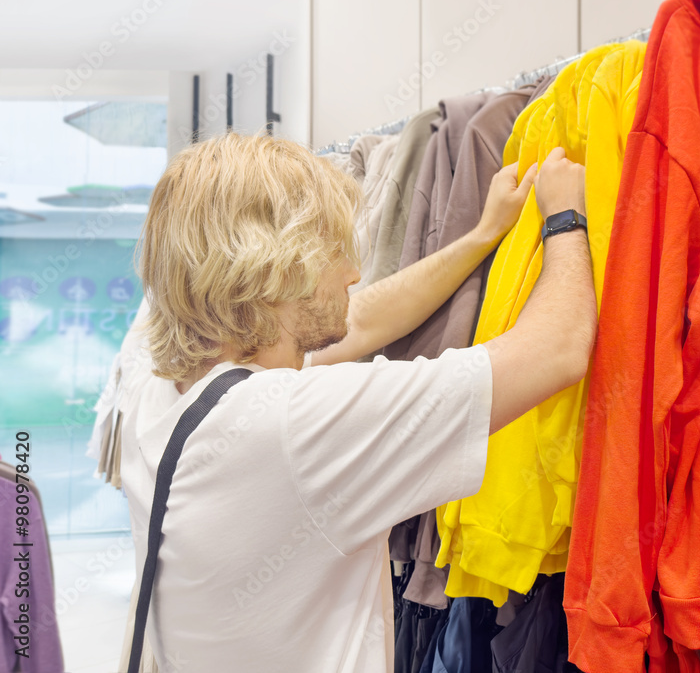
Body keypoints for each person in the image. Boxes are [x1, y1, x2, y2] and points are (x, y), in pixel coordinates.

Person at [113, 132, 596, 672]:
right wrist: (565, 216)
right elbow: (556, 351)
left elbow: (361, 319)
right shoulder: (296, 425)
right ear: (276, 267)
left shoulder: (155, 383)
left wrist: (482, 236)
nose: (354, 271)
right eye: (333, 251)